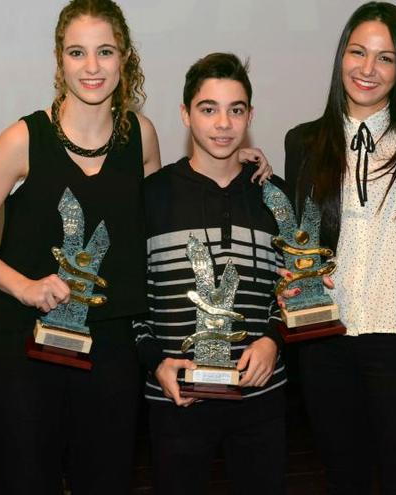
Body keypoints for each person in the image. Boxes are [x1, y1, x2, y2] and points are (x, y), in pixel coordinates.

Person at [0, 2, 271, 493]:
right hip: (24, 350)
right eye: (77, 52)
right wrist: (23, 287)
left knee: (105, 479)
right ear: (59, 59)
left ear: (124, 57)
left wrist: (232, 158)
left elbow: (169, 209)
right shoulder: (22, 139)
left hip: (111, 351)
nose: (91, 67)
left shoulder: (141, 137)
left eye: (104, 52)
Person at [283, 2, 396, 493]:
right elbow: (297, 236)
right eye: (357, 52)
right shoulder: (304, 141)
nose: (367, 69)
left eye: (385, 58)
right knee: (343, 474)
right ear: (341, 57)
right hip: (325, 337)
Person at [135, 52, 287, 495]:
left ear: (250, 116)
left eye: (235, 109)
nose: (223, 123)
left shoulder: (274, 195)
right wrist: (156, 362)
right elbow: (131, 301)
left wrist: (272, 340)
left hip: (260, 395)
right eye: (208, 108)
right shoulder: (151, 196)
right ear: (185, 114)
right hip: (177, 393)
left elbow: (296, 290)